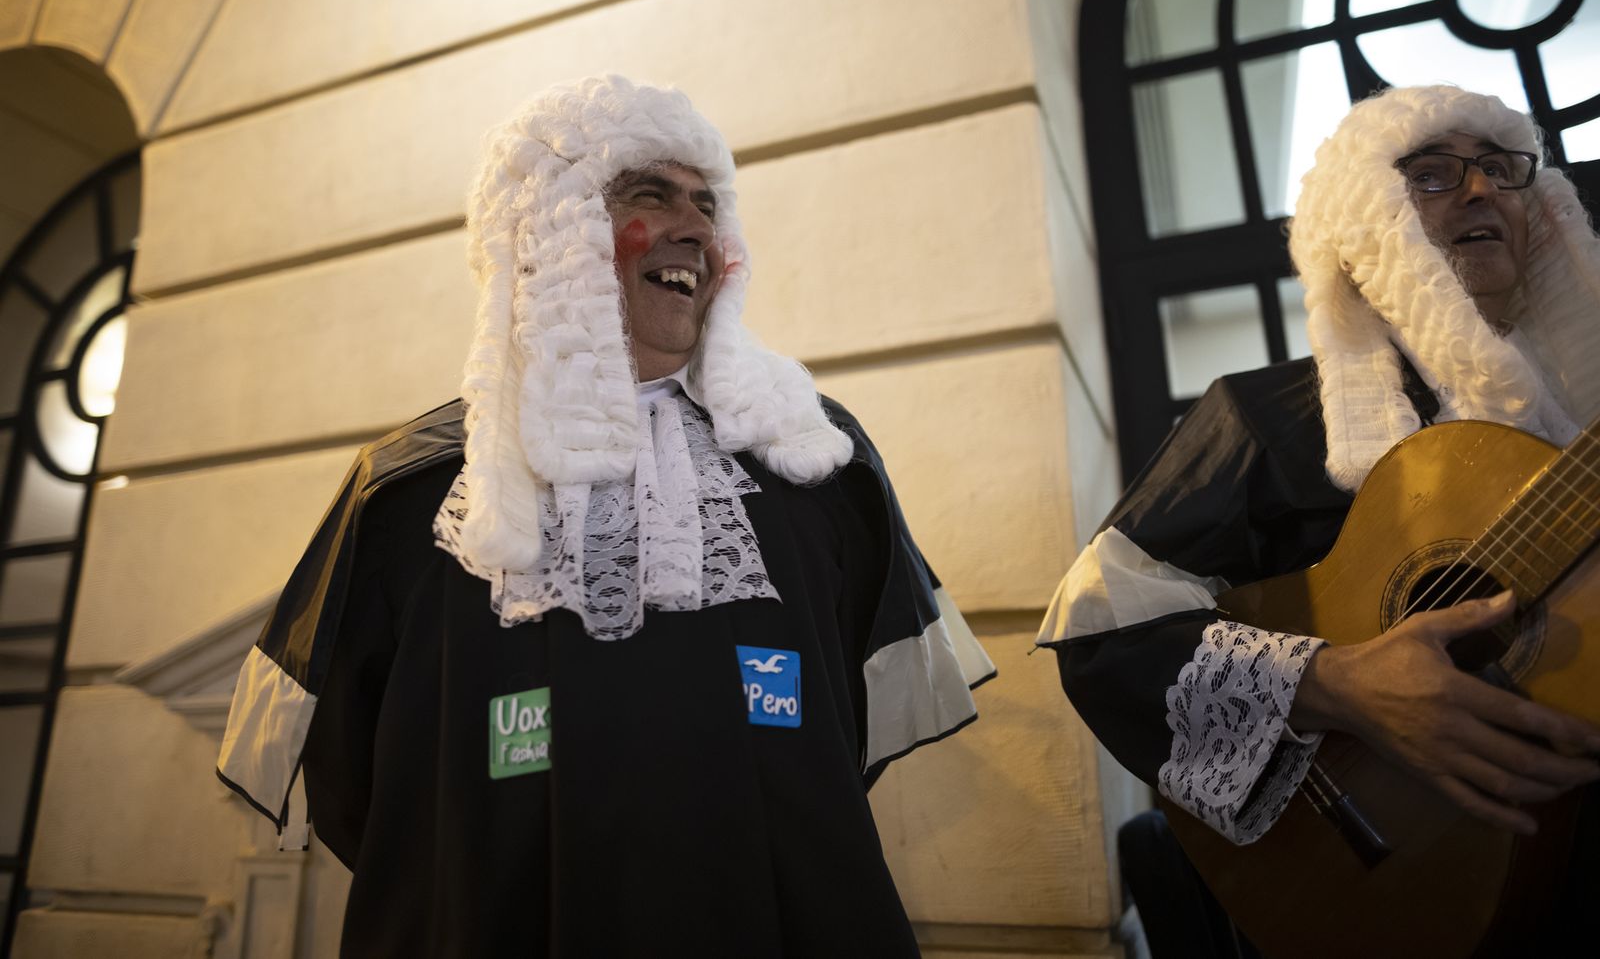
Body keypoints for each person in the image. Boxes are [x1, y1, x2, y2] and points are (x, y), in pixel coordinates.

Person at [217, 75, 994, 957]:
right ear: (548, 229)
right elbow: (353, 781)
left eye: (707, 203)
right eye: (649, 195)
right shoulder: (403, 495)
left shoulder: (821, 464)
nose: (696, 228)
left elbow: (849, 731)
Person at [1036, 85, 1600, 949]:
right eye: (1434, 173)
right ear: (1370, 221)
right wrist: (1339, 685)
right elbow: (1098, 628)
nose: (1483, 189)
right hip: (1385, 877)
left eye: (1500, 167)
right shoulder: (1263, 420)